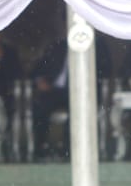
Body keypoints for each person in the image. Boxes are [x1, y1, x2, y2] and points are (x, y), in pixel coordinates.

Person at [29, 33, 111, 161]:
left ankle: (69, 152)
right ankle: (40, 150)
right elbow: (38, 69)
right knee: (39, 108)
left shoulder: (97, 45)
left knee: (76, 112)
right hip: (56, 90)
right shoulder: (59, 45)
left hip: (84, 91)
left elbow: (106, 70)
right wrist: (40, 80)